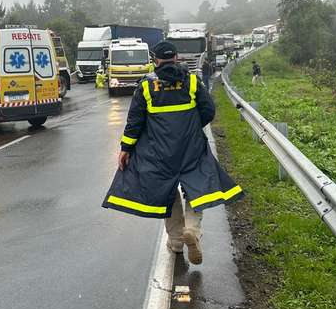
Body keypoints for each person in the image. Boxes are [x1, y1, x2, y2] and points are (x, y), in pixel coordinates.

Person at [102, 41, 242, 264]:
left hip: (159, 152)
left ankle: (176, 241)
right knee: (197, 187)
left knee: (168, 190)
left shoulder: (146, 86)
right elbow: (208, 111)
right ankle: (193, 231)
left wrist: (126, 149)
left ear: (155, 60)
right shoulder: (192, 81)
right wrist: (193, 128)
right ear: (176, 57)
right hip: (191, 149)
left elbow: (134, 123)